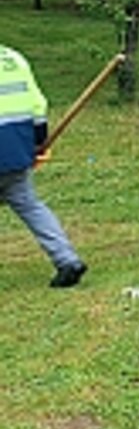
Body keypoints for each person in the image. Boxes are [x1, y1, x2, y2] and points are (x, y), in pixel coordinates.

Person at [0, 45, 88, 288]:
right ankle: (67, 260)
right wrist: (38, 141)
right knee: (29, 205)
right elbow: (37, 105)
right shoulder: (13, 58)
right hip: (16, 150)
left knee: (28, 204)